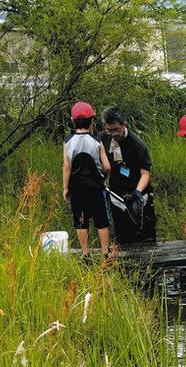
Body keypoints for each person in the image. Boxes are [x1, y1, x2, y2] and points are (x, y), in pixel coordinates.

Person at [62, 101, 111, 259]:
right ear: (92, 121)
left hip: (77, 188)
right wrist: (103, 179)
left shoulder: (68, 142)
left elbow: (66, 167)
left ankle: (85, 253)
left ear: (72, 120)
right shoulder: (97, 141)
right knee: (101, 219)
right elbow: (107, 166)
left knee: (80, 220)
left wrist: (66, 188)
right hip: (96, 187)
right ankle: (105, 252)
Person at [100, 106, 156, 244]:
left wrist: (137, 193)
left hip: (138, 192)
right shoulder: (103, 138)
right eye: (109, 130)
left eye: (116, 129)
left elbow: (145, 174)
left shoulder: (137, 145)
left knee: (145, 234)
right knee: (124, 235)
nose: (112, 133)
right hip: (117, 194)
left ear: (124, 125)